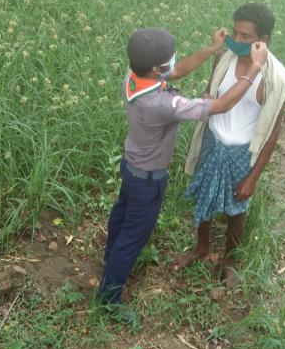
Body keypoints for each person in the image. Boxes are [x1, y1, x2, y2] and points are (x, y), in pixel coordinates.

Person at [98, 26, 268, 310]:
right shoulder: (163, 104)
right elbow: (221, 105)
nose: (173, 62)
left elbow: (175, 72)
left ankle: (110, 257)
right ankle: (108, 298)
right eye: (169, 58)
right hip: (148, 181)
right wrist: (254, 69)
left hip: (131, 166)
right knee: (134, 236)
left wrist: (211, 49)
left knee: (121, 215)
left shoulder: (135, 76)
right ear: (157, 68)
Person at [177, 2, 285, 288]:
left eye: (245, 36)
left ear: (263, 40)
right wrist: (205, 97)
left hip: (242, 151)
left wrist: (253, 177)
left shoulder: (277, 78)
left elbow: (273, 131)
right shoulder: (224, 59)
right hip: (213, 139)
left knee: (236, 209)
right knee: (205, 195)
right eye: (235, 32)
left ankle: (230, 261)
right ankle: (201, 248)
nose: (236, 40)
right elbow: (211, 91)